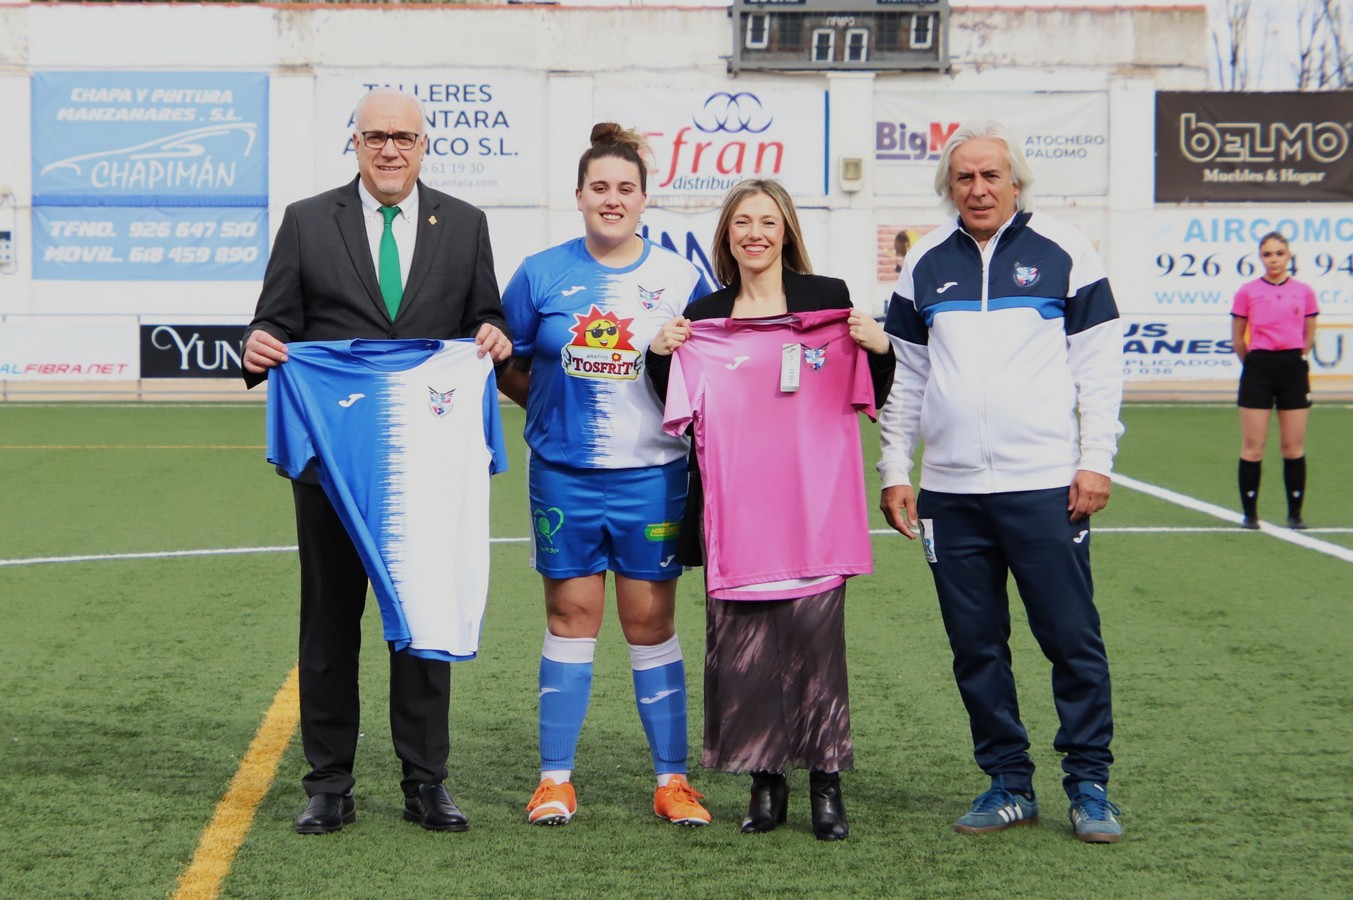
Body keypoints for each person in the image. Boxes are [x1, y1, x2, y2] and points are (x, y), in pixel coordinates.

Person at [241, 87, 511, 835]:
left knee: (421, 609)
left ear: (425, 146)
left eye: (403, 137)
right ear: (353, 143)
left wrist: (491, 335)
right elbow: (273, 319)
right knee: (330, 620)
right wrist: (257, 345)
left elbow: (483, 315)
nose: (389, 149)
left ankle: (426, 781)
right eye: (374, 137)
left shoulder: (463, 224)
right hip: (331, 460)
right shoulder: (305, 222)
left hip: (426, 457)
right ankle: (328, 783)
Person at [877, 122, 1127, 843]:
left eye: (991, 176)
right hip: (950, 494)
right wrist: (896, 468)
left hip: (1045, 483)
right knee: (974, 644)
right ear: (947, 188)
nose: (978, 189)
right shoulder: (924, 260)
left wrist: (1095, 459)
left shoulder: (1065, 249)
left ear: (1016, 182)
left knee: (1070, 638)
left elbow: (1098, 364)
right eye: (964, 178)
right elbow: (904, 377)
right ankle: (1007, 782)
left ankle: (1088, 783)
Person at [646, 179, 895, 841]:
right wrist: (659, 353)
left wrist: (879, 347)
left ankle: (826, 784)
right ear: (726, 236)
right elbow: (673, 401)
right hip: (738, 519)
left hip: (815, 512)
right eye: (742, 223)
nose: (754, 233)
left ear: (786, 231)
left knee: (816, 651)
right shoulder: (704, 317)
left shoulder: (828, 303)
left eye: (767, 221)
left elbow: (870, 389)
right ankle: (764, 785)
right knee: (746, 652)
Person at [496, 123, 714, 828]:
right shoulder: (538, 272)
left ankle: (672, 782)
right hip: (563, 477)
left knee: (650, 624)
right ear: (579, 195)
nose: (611, 200)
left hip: (652, 476)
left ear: (645, 199)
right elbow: (508, 357)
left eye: (625, 188)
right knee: (569, 619)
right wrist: (551, 410)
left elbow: (711, 367)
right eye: (599, 188)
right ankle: (554, 780)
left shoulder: (681, 279)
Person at [1230, 231, 1319, 530]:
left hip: (1292, 367)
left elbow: (1308, 334)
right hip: (1259, 366)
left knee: (1292, 445)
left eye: (1279, 253)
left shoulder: (1304, 291)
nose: (1274, 259)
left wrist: (1294, 358)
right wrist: (1256, 363)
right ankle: (1250, 514)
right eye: (1268, 254)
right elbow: (1237, 339)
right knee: (1253, 445)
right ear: (1261, 257)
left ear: (1289, 255)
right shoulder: (1247, 291)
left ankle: (1295, 514)